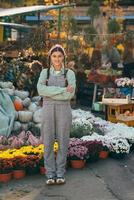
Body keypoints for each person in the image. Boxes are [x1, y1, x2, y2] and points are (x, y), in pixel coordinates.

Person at [37, 44, 76, 185]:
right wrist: (61, 90)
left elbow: (69, 95)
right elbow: (40, 90)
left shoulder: (69, 74)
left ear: (63, 57)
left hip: (64, 110)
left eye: (60, 56)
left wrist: (51, 91)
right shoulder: (45, 73)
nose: (57, 59)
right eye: (54, 56)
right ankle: (49, 174)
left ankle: (60, 173)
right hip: (47, 109)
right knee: (47, 141)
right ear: (50, 57)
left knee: (62, 141)